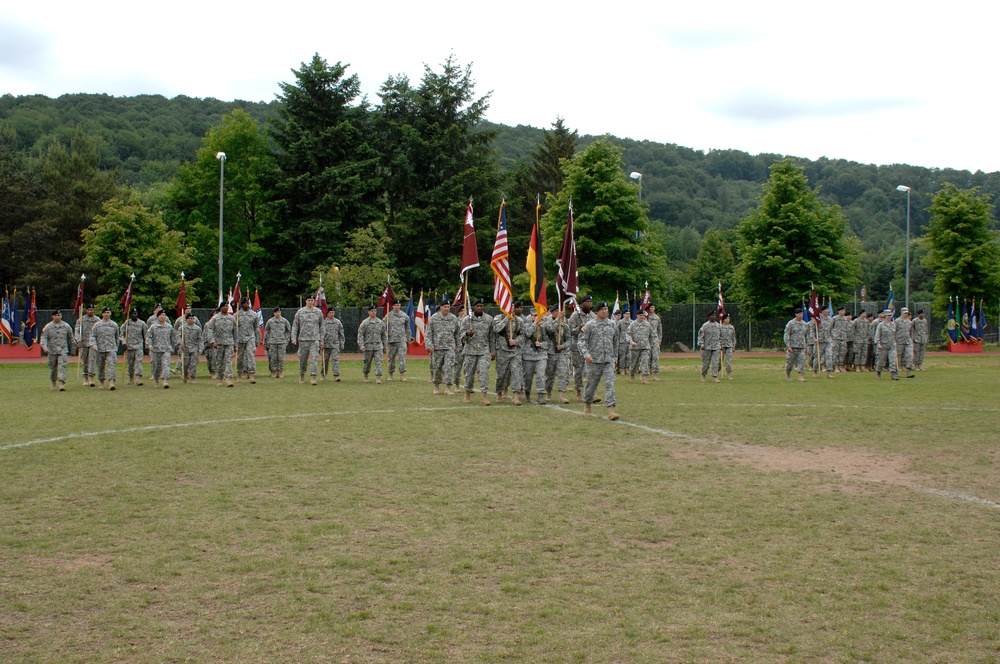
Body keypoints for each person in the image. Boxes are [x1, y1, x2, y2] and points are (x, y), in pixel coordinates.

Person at [578, 301, 620, 420]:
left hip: (608, 361)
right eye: (603, 309)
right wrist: (586, 354)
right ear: (597, 311)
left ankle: (611, 410)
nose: (605, 311)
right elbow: (581, 341)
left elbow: (615, 342)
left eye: (606, 309)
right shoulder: (590, 325)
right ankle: (587, 406)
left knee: (610, 384)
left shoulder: (612, 325)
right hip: (593, 361)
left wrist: (615, 357)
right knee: (591, 385)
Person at [492, 301, 526, 405]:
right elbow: (496, 329)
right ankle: (499, 393)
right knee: (501, 374)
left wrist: (516, 341)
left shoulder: (519, 320)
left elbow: (523, 335)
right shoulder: (498, 318)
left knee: (516, 373)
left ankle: (515, 395)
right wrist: (507, 318)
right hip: (502, 351)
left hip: (515, 351)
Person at [461, 298, 493, 405]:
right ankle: (467, 393)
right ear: (474, 307)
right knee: (469, 374)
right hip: (470, 351)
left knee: (484, 373)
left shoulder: (489, 319)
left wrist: (492, 351)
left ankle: (484, 396)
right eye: (478, 306)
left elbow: (491, 337)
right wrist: (467, 334)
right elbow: (460, 336)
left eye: (481, 306)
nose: (480, 307)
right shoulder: (467, 320)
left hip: (484, 350)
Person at [427, 301, 461, 395]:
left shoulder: (453, 319)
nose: (447, 308)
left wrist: (458, 346)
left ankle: (447, 388)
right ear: (441, 308)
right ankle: (436, 386)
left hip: (450, 347)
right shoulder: (434, 318)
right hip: (437, 348)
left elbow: (457, 334)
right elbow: (428, 333)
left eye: (448, 307)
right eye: (445, 307)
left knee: (449, 367)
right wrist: (429, 345)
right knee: (437, 367)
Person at [568, 295, 597, 401]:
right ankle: (578, 392)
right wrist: (579, 329)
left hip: (590, 347)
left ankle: (592, 392)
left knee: (591, 370)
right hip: (577, 347)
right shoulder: (575, 315)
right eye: (587, 302)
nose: (589, 303)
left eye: (591, 302)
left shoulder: (594, 316)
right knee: (579, 370)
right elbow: (570, 331)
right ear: (582, 303)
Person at [40, 310, 77, 391]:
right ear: (53, 316)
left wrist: (73, 349)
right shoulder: (48, 327)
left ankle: (61, 384)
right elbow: (44, 338)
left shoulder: (66, 326)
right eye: (55, 315)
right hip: (52, 351)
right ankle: (53, 383)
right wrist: (45, 348)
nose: (57, 316)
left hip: (63, 350)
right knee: (53, 368)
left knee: (62, 366)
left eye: (59, 315)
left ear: (61, 316)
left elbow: (71, 338)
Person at [291, 294, 323, 385]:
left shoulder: (318, 312)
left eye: (312, 300)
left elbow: (322, 326)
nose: (310, 302)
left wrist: (321, 339)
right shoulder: (300, 312)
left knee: (314, 359)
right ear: (306, 301)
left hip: (314, 339)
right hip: (303, 339)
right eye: (308, 300)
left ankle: (313, 377)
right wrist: (293, 337)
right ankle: (302, 375)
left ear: (314, 301)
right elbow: (295, 325)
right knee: (302, 359)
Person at [521, 307, 550, 404]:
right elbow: (528, 334)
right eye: (534, 315)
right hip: (528, 356)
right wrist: (535, 324)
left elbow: (549, 341)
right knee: (528, 377)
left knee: (541, 375)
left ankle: (541, 395)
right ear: (531, 316)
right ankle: (527, 393)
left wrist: (541, 344)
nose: (536, 317)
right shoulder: (526, 325)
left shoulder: (544, 326)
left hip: (541, 355)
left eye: (538, 315)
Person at [545, 304, 573, 404]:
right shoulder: (547, 321)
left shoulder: (565, 325)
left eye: (559, 311)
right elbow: (550, 329)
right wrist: (558, 320)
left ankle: (562, 395)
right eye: (556, 311)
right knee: (550, 375)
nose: (558, 313)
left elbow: (569, 339)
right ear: (552, 312)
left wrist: (563, 346)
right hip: (550, 353)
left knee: (563, 373)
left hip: (562, 353)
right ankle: (548, 392)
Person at [90, 306, 120, 390]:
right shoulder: (97, 325)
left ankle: (111, 382)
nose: (106, 314)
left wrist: (115, 347)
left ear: (110, 314)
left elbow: (117, 337)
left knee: (111, 365)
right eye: (105, 313)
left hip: (111, 348)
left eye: (108, 312)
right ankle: (101, 382)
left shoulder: (114, 325)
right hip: (100, 349)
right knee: (100, 366)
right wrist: (94, 345)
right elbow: (92, 336)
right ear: (102, 314)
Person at [207, 305, 237, 387]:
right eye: (224, 306)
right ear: (221, 308)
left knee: (228, 361)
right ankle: (220, 379)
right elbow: (210, 330)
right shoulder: (215, 318)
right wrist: (212, 341)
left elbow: (235, 331)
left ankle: (228, 378)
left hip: (229, 343)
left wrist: (235, 344)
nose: (226, 308)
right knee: (219, 362)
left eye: (227, 306)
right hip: (218, 344)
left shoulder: (231, 318)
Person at [358, 304, 388, 383]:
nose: (373, 312)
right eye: (372, 311)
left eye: (375, 311)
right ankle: (366, 375)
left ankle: (378, 377)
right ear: (368, 312)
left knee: (379, 361)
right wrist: (361, 345)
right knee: (367, 362)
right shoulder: (365, 323)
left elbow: (384, 335)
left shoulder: (380, 323)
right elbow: (360, 335)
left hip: (378, 346)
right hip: (368, 346)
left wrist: (385, 345)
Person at [146, 310, 176, 388]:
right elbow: (149, 337)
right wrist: (149, 345)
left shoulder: (169, 327)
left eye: (163, 315)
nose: (162, 317)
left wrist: (173, 347)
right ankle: (156, 380)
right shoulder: (153, 327)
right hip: (156, 350)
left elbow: (173, 338)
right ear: (158, 317)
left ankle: (165, 380)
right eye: (160, 315)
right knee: (156, 367)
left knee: (166, 365)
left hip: (166, 349)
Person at [234, 297, 262, 383]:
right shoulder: (237, 315)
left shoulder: (253, 314)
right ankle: (239, 374)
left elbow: (257, 328)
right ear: (242, 304)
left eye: (248, 303)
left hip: (250, 337)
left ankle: (251, 374)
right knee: (240, 357)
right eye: (245, 303)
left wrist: (258, 339)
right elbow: (233, 328)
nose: (247, 304)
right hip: (240, 338)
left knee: (250, 355)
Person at [120, 309, 147, 386]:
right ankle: (131, 377)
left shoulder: (142, 323)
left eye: (135, 313)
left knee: (138, 362)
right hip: (129, 346)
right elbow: (121, 334)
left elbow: (146, 335)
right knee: (130, 363)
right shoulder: (126, 323)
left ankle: (138, 378)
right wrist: (123, 342)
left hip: (138, 345)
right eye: (132, 313)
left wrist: (146, 345)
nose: (134, 315)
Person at [386, 301, 411, 381]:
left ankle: (402, 375)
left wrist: (408, 339)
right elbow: (383, 327)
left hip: (401, 340)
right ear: (393, 306)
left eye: (398, 305)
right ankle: (390, 375)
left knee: (402, 358)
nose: (397, 306)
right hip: (392, 341)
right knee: (391, 358)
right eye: (395, 305)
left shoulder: (404, 316)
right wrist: (385, 338)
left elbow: (408, 328)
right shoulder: (388, 315)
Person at [175, 312, 204, 382]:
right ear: (186, 319)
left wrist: (201, 348)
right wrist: (180, 344)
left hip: (194, 348)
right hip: (185, 348)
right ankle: (185, 374)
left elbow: (200, 339)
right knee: (185, 364)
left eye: (192, 318)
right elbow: (178, 336)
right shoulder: (182, 328)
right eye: (189, 318)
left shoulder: (197, 329)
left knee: (193, 364)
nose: (191, 320)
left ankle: (192, 377)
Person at [264, 307, 292, 378]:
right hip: (272, 342)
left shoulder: (284, 321)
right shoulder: (270, 321)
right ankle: (273, 372)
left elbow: (288, 331)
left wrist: (286, 340)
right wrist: (267, 341)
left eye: (279, 312)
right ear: (274, 313)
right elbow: (267, 331)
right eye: (276, 312)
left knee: (281, 358)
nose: (277, 313)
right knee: (273, 358)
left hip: (282, 342)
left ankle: (280, 372)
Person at [626, 309, 653, 383]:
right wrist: (631, 342)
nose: (642, 317)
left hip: (645, 346)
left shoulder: (647, 325)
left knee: (645, 361)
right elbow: (628, 335)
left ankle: (644, 377)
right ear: (637, 315)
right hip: (635, 347)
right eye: (640, 315)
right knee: (633, 363)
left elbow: (651, 336)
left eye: (643, 315)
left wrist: (651, 345)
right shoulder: (632, 324)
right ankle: (632, 375)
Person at [76, 303, 99, 386]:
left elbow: (99, 332)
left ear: (94, 310)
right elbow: (77, 331)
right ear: (86, 310)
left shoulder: (97, 320)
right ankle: (85, 378)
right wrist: (78, 340)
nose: (90, 311)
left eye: (92, 310)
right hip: (84, 343)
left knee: (92, 360)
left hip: (93, 344)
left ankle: (91, 378)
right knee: (85, 361)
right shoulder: (81, 320)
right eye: (89, 310)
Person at [783, 307, 809, 381]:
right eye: (799, 314)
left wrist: (806, 347)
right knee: (790, 362)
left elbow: (806, 336)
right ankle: (788, 374)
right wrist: (788, 346)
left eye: (802, 313)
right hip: (792, 346)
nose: (801, 315)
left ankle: (801, 376)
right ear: (796, 314)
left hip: (801, 347)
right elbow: (786, 335)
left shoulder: (804, 324)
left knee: (802, 361)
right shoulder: (791, 323)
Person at [320, 308, 345, 381]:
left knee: (335, 360)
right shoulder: (323, 322)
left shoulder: (337, 322)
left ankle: (336, 375)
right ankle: (323, 375)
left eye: (333, 312)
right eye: (330, 312)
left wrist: (342, 344)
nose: (331, 314)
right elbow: (320, 333)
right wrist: (321, 342)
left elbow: (341, 334)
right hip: (325, 345)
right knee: (325, 361)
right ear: (327, 313)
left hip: (335, 344)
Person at [874, 309, 899, 380]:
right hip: (883, 345)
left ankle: (893, 374)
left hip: (892, 345)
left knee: (892, 360)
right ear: (884, 316)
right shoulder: (881, 325)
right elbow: (877, 335)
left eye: (890, 315)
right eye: (888, 315)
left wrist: (895, 342)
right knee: (881, 361)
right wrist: (878, 343)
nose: (889, 317)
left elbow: (895, 334)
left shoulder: (893, 324)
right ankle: (878, 373)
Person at [697, 312, 722, 383]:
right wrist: (701, 344)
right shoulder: (705, 325)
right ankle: (703, 375)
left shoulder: (718, 325)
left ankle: (715, 377)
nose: (714, 317)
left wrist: (721, 345)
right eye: (712, 315)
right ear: (709, 316)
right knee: (706, 364)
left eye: (714, 315)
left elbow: (721, 336)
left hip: (716, 347)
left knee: (716, 363)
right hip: (706, 347)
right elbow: (700, 336)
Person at [894, 307, 916, 378]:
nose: (906, 314)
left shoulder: (909, 322)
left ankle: (908, 371)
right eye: (905, 313)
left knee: (910, 355)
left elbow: (911, 332)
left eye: (907, 313)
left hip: (908, 341)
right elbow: (894, 331)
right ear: (901, 313)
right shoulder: (897, 321)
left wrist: (911, 340)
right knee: (898, 356)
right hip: (899, 341)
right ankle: (896, 371)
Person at [831, 305, 850, 372]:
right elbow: (831, 327)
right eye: (841, 311)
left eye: (844, 311)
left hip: (843, 337)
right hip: (836, 337)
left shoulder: (845, 319)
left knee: (843, 352)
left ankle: (841, 365)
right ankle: (835, 366)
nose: (843, 312)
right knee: (836, 352)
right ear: (839, 311)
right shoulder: (834, 318)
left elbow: (847, 328)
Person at [646, 303, 662, 381]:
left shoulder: (657, 318)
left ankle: (654, 373)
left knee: (655, 356)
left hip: (655, 339)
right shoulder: (646, 317)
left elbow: (659, 329)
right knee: (647, 356)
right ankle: (646, 371)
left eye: (653, 307)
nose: (652, 308)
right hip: (647, 339)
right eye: (651, 307)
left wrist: (660, 339)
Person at [818, 307, 834, 378]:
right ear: (822, 311)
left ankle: (828, 372)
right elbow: (812, 330)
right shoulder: (817, 318)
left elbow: (831, 330)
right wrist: (815, 338)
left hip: (828, 340)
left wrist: (832, 338)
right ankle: (815, 370)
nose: (828, 311)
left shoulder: (830, 320)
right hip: (820, 341)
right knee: (817, 356)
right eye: (826, 310)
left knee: (829, 356)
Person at [719, 312, 736, 380]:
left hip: (729, 346)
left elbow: (733, 338)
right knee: (719, 361)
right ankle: (716, 373)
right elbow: (718, 337)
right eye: (726, 318)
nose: (727, 320)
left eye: (728, 318)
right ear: (723, 319)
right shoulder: (720, 327)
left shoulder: (731, 327)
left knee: (728, 361)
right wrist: (720, 345)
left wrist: (734, 346)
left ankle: (729, 374)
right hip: (721, 346)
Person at [615, 309, 631, 375]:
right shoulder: (620, 322)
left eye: (628, 314)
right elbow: (617, 332)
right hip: (622, 341)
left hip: (629, 341)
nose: (627, 315)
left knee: (629, 356)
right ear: (624, 315)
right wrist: (617, 341)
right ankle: (621, 369)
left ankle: (627, 368)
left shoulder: (632, 322)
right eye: (626, 314)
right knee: (622, 356)